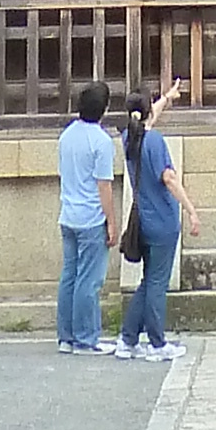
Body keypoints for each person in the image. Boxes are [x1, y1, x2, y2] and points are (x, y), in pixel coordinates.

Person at [114, 80, 200, 361]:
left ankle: (128, 339)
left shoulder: (129, 137)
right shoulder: (155, 141)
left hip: (142, 219)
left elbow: (146, 120)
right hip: (163, 219)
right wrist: (190, 209)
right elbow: (169, 178)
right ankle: (156, 342)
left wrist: (166, 98)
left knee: (148, 280)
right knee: (156, 283)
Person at [55, 76, 123, 353]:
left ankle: (66, 336)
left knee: (69, 275)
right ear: (104, 109)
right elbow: (103, 185)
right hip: (91, 216)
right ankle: (86, 337)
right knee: (89, 280)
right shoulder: (102, 141)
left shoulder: (67, 135)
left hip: (68, 213)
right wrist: (112, 221)